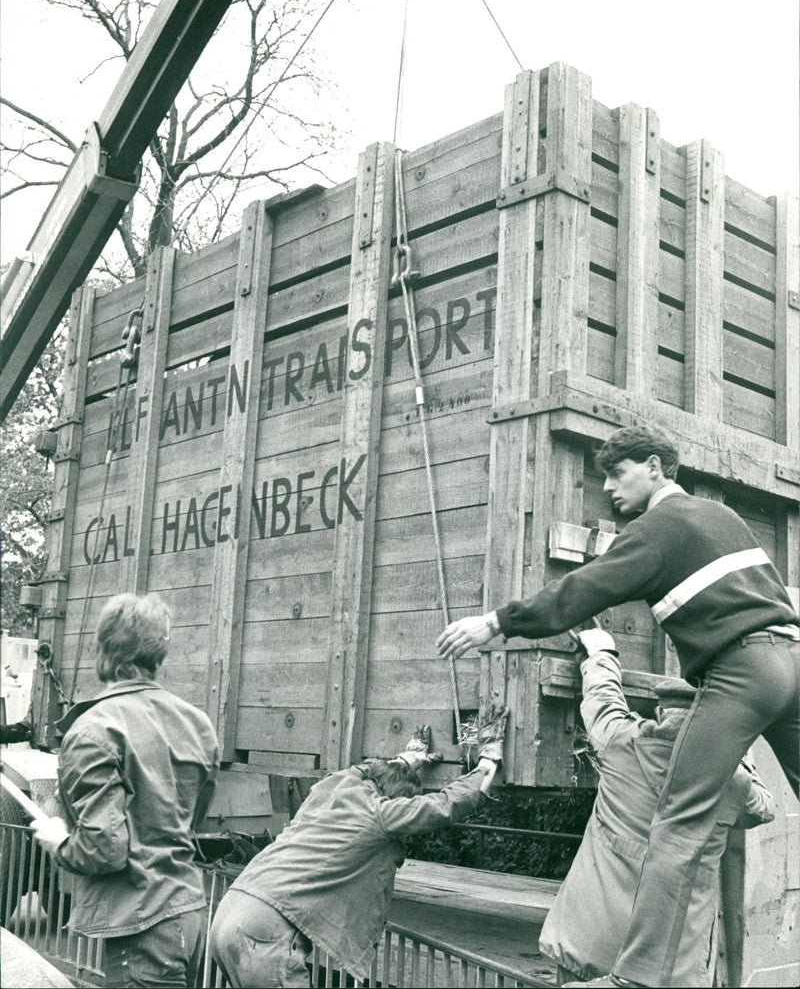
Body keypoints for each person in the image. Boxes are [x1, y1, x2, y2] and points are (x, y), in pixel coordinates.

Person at [436, 423, 799, 988]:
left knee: (678, 825)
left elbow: (585, 588)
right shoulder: (725, 519)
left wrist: (495, 623)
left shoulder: (658, 528)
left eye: (617, 472)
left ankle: (637, 980)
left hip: (742, 670)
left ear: (655, 467)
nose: (608, 487)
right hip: (792, 660)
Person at [539, 628, 774, 987]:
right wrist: (739, 745)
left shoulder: (621, 744)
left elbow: (603, 701)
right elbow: (764, 809)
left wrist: (602, 651)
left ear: (662, 710)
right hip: (666, 971)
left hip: (589, 945)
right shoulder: (732, 784)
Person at [209, 709, 509, 988]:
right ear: (392, 798)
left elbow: (362, 769)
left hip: (230, 912)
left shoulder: (335, 785)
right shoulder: (380, 813)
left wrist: (409, 758)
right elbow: (444, 806)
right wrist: (487, 761)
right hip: (265, 932)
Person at [31, 592, 220, 989]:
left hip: (141, 925)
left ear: (104, 650)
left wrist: (59, 842)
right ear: (158, 654)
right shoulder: (198, 723)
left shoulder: (92, 729)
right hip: (188, 910)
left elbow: (103, 849)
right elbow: (188, 821)